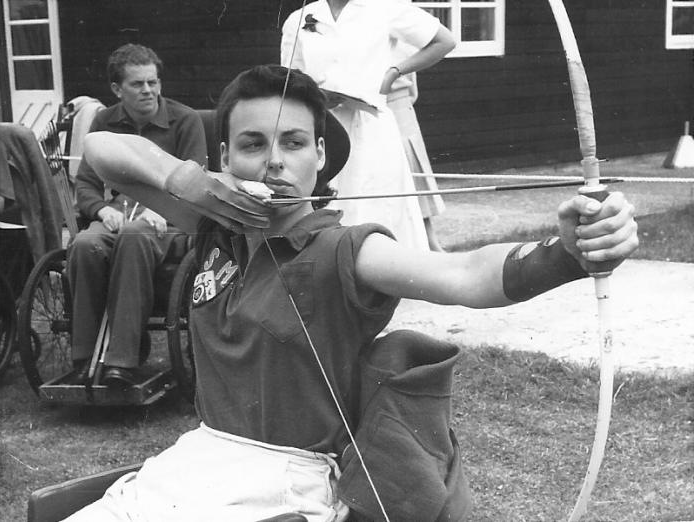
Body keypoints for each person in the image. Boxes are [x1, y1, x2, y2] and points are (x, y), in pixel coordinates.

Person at [69, 64, 638, 521]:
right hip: (202, 459)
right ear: (225, 159)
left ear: (320, 157)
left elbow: (467, 275)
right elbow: (100, 151)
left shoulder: (343, 250)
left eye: (293, 143)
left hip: (287, 488)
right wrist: (185, 181)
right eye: (251, 144)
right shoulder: (217, 228)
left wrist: (567, 253)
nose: (273, 161)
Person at [66, 43, 207, 387]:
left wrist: (159, 207)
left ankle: (122, 361)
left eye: (153, 82)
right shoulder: (104, 121)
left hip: (173, 221)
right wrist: (100, 209)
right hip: (120, 216)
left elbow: (196, 183)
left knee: (134, 235)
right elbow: (85, 183)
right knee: (85, 243)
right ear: (117, 89)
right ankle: (85, 357)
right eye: (137, 84)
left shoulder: (184, 121)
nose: (148, 90)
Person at [280, 0, 455, 251]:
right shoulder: (300, 18)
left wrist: (393, 72)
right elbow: (289, 79)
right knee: (330, 208)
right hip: (324, 128)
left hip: (372, 128)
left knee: (378, 209)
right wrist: (315, 96)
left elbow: (444, 41)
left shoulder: (383, 8)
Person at [387, 31, 446, 251]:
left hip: (399, 108)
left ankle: (431, 242)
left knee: (413, 175)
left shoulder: (401, 37)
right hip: (387, 108)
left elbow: (412, 89)